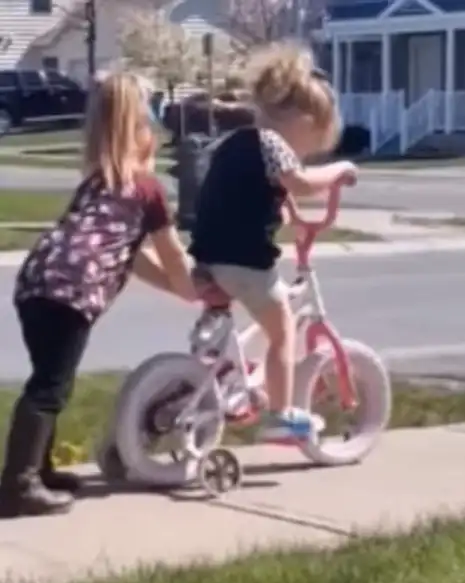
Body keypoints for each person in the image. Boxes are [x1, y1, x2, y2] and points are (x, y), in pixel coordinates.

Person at [1, 72, 196, 518]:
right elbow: (171, 256)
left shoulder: (98, 183)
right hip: (69, 292)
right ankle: (17, 484)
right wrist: (196, 290)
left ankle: (38, 471)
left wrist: (177, 290)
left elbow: (131, 257)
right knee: (50, 388)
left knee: (49, 380)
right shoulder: (147, 190)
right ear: (141, 133)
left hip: (37, 282)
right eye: (154, 132)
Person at [187, 43, 353, 443]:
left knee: (235, 323)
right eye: (311, 138)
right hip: (244, 260)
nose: (305, 150)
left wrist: (286, 211)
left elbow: (262, 189)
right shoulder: (272, 143)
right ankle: (282, 414)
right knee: (281, 331)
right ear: (300, 119)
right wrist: (339, 171)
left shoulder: (236, 142)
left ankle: (223, 381)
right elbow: (302, 183)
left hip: (209, 256)